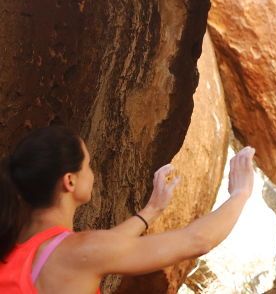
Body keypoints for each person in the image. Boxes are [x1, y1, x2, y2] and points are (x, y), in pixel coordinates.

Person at [0, 125, 255, 293]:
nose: (92, 172)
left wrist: (152, 210)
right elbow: (196, 241)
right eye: (88, 165)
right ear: (70, 181)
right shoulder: (76, 252)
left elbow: (105, 247)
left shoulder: (15, 244)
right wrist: (240, 195)